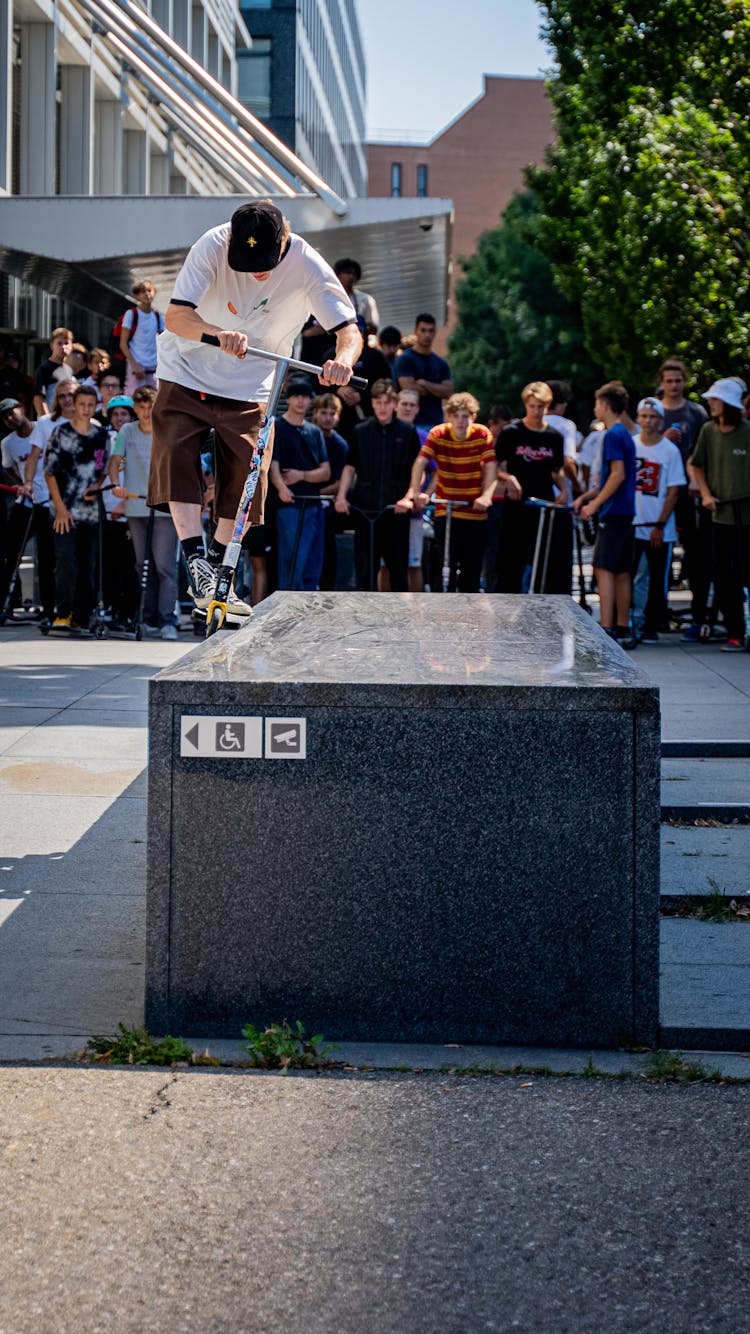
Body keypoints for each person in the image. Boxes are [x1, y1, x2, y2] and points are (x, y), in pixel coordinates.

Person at [146, 199, 362, 620]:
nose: (256, 273)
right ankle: (195, 560)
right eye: (246, 263)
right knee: (174, 448)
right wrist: (215, 333)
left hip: (252, 382)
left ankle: (217, 566)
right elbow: (175, 316)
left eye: (264, 263)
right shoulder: (211, 246)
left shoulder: (307, 263)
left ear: (284, 243)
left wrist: (344, 362)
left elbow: (348, 330)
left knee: (250, 471)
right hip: (187, 367)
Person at [401, 391, 497, 593]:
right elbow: (421, 462)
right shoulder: (438, 433)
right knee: (446, 564)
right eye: (457, 416)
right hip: (448, 508)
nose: (461, 422)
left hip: (474, 508)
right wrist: (416, 492)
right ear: (449, 417)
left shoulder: (481, 434)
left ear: (473, 417)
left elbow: (490, 466)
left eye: (466, 416)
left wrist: (486, 496)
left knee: (472, 567)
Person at [336, 379, 421, 591]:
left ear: (394, 404)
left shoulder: (408, 432)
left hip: (396, 511)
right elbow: (349, 467)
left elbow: (417, 470)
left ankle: (400, 616)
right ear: (372, 403)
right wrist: (341, 496)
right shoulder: (360, 431)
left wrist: (409, 496)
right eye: (378, 402)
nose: (383, 407)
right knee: (365, 568)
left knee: (398, 568)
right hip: (365, 509)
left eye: (387, 402)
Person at [109, 386, 179, 639]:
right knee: (142, 564)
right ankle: (147, 617)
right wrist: (116, 485)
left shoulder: (165, 430)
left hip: (163, 509)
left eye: (150, 407)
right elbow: (115, 461)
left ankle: (168, 620)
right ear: (135, 409)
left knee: (164, 565)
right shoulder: (127, 431)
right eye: (140, 407)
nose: (146, 412)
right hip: (135, 507)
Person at [689, 378, 750, 653]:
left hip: (746, 516)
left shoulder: (747, 432)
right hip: (720, 515)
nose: (710, 403)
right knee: (724, 575)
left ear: (728, 404)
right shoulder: (708, 431)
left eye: (715, 400)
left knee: (744, 572)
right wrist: (705, 494)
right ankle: (735, 631)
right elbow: (696, 464)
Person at [574, 381, 637, 645]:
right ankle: (623, 626)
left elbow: (618, 476)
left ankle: (606, 626)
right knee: (622, 571)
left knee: (603, 567)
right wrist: (586, 496)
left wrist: (595, 504)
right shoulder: (625, 434)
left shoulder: (611, 435)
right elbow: (611, 476)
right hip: (626, 510)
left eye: (598, 403)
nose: (595, 408)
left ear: (606, 405)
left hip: (612, 512)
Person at [44, 384, 109, 629]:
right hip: (64, 510)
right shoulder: (61, 433)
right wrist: (60, 508)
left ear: (97, 406)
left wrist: (97, 485)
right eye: (82, 404)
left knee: (87, 565)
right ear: (74, 404)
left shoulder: (101, 435)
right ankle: (63, 613)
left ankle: (82, 617)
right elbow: (49, 473)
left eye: (91, 405)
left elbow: (101, 469)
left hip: (90, 512)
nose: (86, 409)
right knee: (64, 562)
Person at [493, 382, 567, 594]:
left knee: (542, 559)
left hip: (542, 505)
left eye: (541, 407)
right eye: (532, 406)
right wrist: (508, 478)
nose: (536, 411)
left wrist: (563, 490)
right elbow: (494, 467)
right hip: (516, 504)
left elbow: (556, 470)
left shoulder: (554, 436)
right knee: (510, 561)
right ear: (526, 404)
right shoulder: (511, 432)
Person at [632, 396, 686, 643]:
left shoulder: (669, 451)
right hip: (632, 524)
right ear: (637, 418)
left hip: (658, 527)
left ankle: (651, 625)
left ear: (661, 420)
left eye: (653, 417)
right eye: (644, 416)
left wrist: (660, 525)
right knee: (630, 575)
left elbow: (674, 489)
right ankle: (632, 620)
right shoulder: (631, 445)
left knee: (656, 578)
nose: (648, 421)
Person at [269, 378, 330, 590]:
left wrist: (301, 476)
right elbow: (272, 464)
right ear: (289, 398)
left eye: (305, 396)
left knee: (313, 561)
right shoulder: (277, 426)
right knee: (292, 560)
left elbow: (325, 472)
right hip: (290, 505)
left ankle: (308, 610)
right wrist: (282, 488)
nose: (301, 401)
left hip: (313, 504)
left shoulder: (314, 431)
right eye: (296, 396)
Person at [0, 398, 55, 620]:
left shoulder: (42, 428)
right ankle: (9, 604)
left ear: (21, 409)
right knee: (11, 551)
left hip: (49, 502)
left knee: (47, 556)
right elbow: (8, 468)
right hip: (28, 501)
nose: (10, 418)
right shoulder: (8, 444)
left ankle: (49, 608)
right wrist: (21, 483)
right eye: (5, 417)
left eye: (12, 412)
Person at [312, 392, 349, 591]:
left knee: (328, 554)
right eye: (323, 412)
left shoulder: (340, 444)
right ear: (315, 413)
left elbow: (341, 480)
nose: (328, 417)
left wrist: (318, 492)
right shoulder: (307, 435)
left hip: (327, 506)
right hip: (302, 502)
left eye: (332, 413)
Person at [394, 314, 454, 431]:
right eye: (423, 330)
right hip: (411, 423)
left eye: (431, 331)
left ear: (435, 332)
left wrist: (425, 384)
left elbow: (448, 392)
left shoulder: (441, 363)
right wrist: (437, 389)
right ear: (416, 331)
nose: (427, 335)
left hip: (435, 424)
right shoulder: (405, 359)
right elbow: (409, 388)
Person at [119, 281, 165, 397]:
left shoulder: (157, 316)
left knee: (154, 397)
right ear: (137, 295)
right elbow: (123, 343)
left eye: (149, 291)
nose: (147, 294)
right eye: (143, 291)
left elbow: (163, 341)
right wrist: (134, 365)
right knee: (133, 397)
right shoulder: (131, 314)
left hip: (153, 366)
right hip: (136, 364)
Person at [333, 258, 380, 336]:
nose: (351, 276)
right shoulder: (331, 298)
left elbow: (373, 328)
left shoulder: (366, 299)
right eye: (348, 272)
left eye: (354, 273)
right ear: (337, 275)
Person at [33, 328, 75, 417]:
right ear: (52, 345)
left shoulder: (69, 369)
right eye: (59, 343)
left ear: (72, 346)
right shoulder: (44, 369)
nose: (63, 347)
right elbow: (38, 398)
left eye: (66, 343)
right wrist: (46, 420)